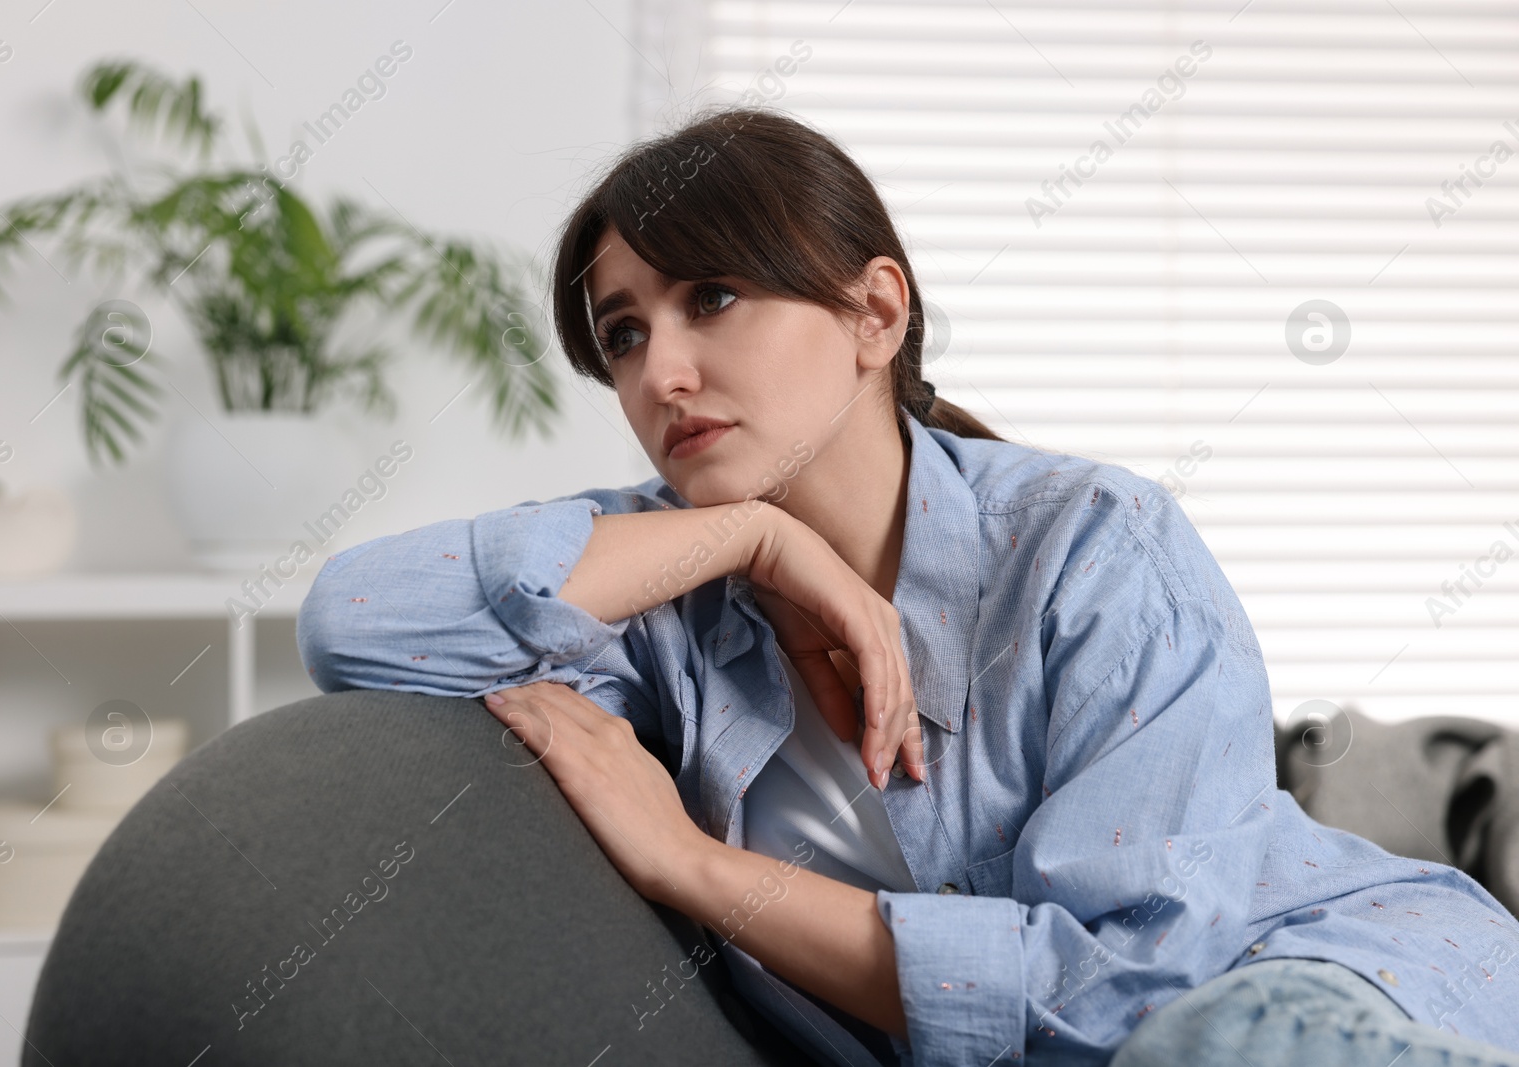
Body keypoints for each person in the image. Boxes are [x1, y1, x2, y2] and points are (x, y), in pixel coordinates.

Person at [295, 105, 1519, 1066]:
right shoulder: (662, 584)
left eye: (711, 296)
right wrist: (749, 544)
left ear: (875, 312)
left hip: (1314, 979)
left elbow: (1125, 997)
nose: (662, 370)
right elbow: (351, 620)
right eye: (623, 333)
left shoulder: (1095, 541)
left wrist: (701, 868)